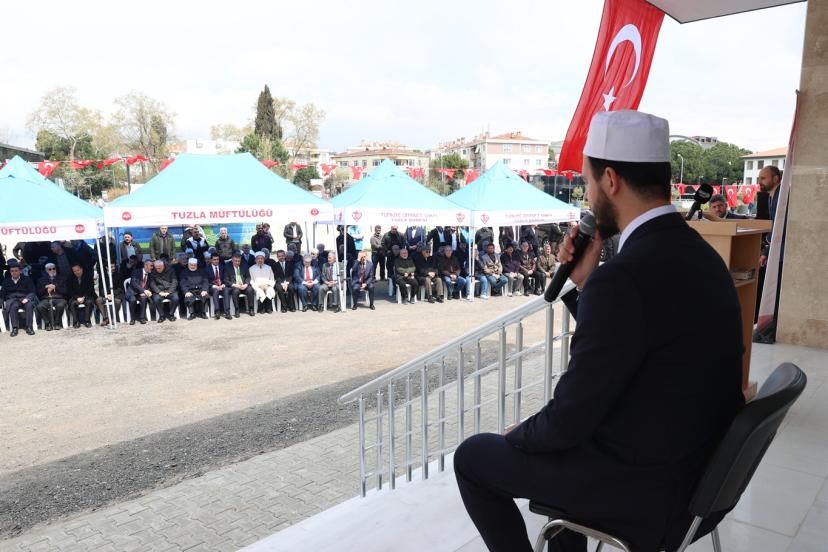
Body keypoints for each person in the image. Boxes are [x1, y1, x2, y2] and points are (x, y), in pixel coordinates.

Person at [454, 110, 745, 552]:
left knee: (474, 457)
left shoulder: (625, 277)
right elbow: (633, 340)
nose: (588, 197)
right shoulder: (702, 255)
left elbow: (568, 420)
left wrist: (517, 436)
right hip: (701, 482)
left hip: (650, 491)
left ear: (610, 180)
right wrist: (587, 283)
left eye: (588, 183)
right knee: (562, 452)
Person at [0, 261, 36, 336]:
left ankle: (29, 327)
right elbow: (2, 295)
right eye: (12, 271)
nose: (14, 272)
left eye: (16, 271)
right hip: (13, 300)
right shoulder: (6, 281)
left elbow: (33, 291)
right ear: (10, 272)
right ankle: (15, 328)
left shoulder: (27, 279)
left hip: (24, 298)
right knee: (13, 306)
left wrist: (27, 298)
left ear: (20, 271)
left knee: (29, 305)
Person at [36, 262, 68, 331]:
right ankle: (47, 323)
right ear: (46, 270)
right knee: (40, 306)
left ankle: (57, 323)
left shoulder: (62, 278)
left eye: (53, 268)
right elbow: (38, 293)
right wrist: (46, 288)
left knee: (60, 306)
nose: (52, 270)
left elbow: (66, 291)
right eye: (50, 269)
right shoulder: (41, 280)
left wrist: (55, 287)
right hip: (46, 298)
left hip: (59, 298)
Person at [223, 252, 255, 317]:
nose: (237, 262)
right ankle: (237, 310)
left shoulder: (244, 265)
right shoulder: (227, 267)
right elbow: (226, 280)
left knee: (250, 289)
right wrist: (235, 285)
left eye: (239, 261)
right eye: (236, 261)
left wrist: (246, 284)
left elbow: (248, 277)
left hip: (243, 285)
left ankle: (251, 309)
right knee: (235, 291)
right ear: (232, 260)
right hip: (235, 286)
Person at [66, 263, 96, 328]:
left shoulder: (88, 277)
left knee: (89, 302)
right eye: (74, 271)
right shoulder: (70, 278)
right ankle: (76, 322)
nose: (76, 272)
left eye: (78, 270)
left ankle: (87, 321)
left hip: (87, 296)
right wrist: (77, 298)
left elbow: (91, 289)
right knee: (72, 303)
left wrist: (84, 297)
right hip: (75, 297)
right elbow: (70, 291)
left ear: (81, 269)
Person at [204, 253, 231, 320]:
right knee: (215, 291)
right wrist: (215, 286)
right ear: (211, 260)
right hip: (212, 288)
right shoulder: (207, 269)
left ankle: (227, 312)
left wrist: (223, 284)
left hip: (222, 286)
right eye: (214, 259)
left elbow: (225, 278)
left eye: (217, 259)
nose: (216, 261)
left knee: (226, 290)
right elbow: (206, 282)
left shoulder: (222, 267)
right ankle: (217, 312)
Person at [129, 258, 155, 324]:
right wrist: (143, 290)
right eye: (151, 266)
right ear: (145, 265)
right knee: (132, 299)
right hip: (133, 292)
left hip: (142, 293)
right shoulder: (136, 272)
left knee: (144, 299)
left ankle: (142, 318)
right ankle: (132, 318)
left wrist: (149, 291)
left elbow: (151, 284)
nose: (152, 267)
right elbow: (134, 283)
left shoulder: (150, 274)